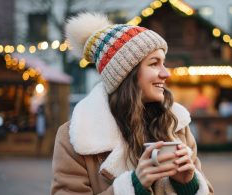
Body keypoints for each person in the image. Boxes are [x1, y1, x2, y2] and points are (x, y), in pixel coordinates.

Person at [51, 12, 214, 195]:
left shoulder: (176, 125)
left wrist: (188, 184)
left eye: (164, 63)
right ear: (126, 74)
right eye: (154, 64)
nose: (165, 73)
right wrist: (132, 186)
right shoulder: (76, 136)